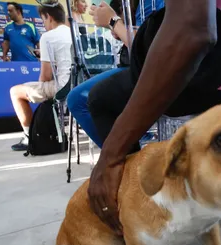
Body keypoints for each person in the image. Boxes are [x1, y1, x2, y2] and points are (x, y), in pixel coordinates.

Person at [86, 0, 221, 232]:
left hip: (215, 78)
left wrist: (109, 157)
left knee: (99, 98)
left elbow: (193, 31)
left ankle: (142, 206)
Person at [67, 0, 163, 147]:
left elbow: (149, 47)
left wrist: (114, 22)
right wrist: (119, 29)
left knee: (80, 99)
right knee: (80, 98)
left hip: (153, 71)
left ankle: (120, 160)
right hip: (138, 66)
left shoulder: (152, 3)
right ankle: (122, 158)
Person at [9, 2, 72, 151]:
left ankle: (29, 137)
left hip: (62, 88)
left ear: (48, 17)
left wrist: (39, 88)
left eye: (43, 20)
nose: (44, 24)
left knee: (15, 92)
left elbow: (45, 76)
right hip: (77, 84)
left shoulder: (47, 37)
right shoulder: (73, 33)